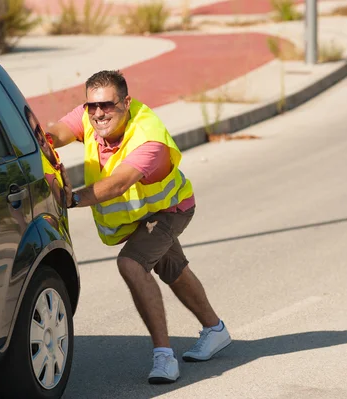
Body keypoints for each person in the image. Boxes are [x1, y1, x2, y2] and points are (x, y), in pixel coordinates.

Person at [47, 70, 231, 384]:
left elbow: (118, 184)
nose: (98, 113)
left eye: (106, 105)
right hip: (140, 215)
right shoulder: (91, 115)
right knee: (172, 269)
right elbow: (56, 134)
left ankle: (164, 357)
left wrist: (71, 199)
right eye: (91, 106)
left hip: (170, 210)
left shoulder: (148, 136)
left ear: (126, 102)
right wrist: (40, 143)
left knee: (131, 264)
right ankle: (215, 330)